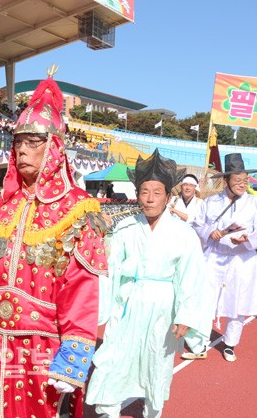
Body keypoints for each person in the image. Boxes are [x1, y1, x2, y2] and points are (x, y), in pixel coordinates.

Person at [0, 71, 108, 417]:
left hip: (42, 348)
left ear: (54, 148)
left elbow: (81, 294)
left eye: (33, 142)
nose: (21, 150)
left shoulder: (77, 210)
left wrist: (73, 359)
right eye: (18, 141)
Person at [85, 149, 213, 418]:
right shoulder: (125, 228)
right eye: (144, 191)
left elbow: (191, 277)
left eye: (157, 192)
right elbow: (110, 269)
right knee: (114, 357)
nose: (150, 198)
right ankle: (109, 409)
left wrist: (186, 315)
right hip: (127, 304)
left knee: (156, 361)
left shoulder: (183, 234)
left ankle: (152, 410)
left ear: (168, 197)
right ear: (137, 194)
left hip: (162, 308)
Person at [192, 153, 257, 362]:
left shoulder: (253, 203)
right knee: (205, 299)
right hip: (214, 256)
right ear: (226, 181)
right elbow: (197, 223)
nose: (242, 184)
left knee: (237, 302)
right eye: (237, 181)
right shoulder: (210, 202)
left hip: (241, 260)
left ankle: (229, 344)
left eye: (245, 181)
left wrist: (247, 239)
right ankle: (199, 341)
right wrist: (210, 232)